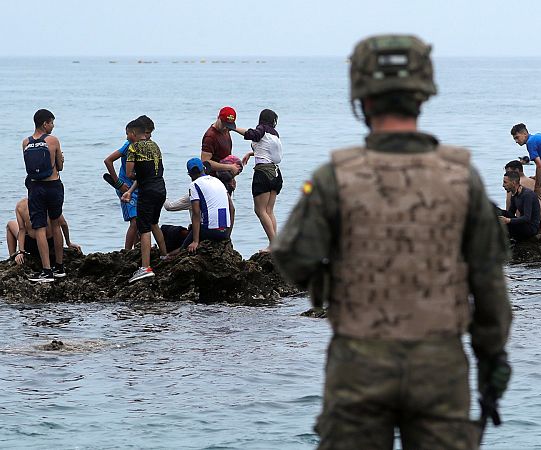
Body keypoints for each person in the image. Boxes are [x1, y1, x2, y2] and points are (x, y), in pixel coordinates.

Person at [272, 34, 512, 449]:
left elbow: (293, 256)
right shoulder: (462, 179)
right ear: (422, 99)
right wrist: (492, 358)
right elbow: (489, 283)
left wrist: (334, 281)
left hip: (359, 362)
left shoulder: (334, 178)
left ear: (361, 100)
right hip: (439, 363)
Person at [121, 120, 169, 282]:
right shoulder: (155, 146)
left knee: (144, 227)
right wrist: (131, 191)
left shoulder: (133, 148)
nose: (127, 136)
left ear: (133, 133)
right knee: (154, 222)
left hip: (147, 192)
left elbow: (129, 174)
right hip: (160, 189)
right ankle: (164, 256)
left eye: (128, 133)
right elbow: (154, 171)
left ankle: (145, 267)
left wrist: (134, 179)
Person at [22, 109, 66, 282]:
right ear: (45, 123)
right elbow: (60, 167)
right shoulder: (53, 141)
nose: (53, 126)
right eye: (51, 122)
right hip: (54, 186)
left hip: (36, 188)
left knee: (39, 227)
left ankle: (46, 270)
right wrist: (61, 158)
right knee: (55, 224)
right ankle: (59, 267)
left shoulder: (25, 142)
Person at [233, 109, 283, 251]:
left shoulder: (261, 129)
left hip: (263, 173)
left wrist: (233, 128)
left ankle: (273, 245)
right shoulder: (274, 133)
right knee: (269, 210)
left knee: (260, 210)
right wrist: (251, 153)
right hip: (276, 173)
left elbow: (251, 134)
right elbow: (266, 150)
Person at [103, 115, 154, 250]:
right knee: (135, 221)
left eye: (150, 133)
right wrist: (118, 183)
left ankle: (138, 248)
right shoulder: (128, 145)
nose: (149, 136)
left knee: (141, 220)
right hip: (125, 187)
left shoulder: (145, 146)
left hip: (138, 187)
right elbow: (108, 161)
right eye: (147, 133)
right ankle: (127, 252)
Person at [6, 198, 81, 265]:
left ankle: (12, 257)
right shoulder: (49, 201)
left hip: (30, 245)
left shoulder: (21, 205)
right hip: (51, 244)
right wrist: (69, 243)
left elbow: (22, 229)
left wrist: (21, 252)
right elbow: (63, 224)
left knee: (10, 224)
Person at [182, 158, 233, 252]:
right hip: (225, 232)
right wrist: (228, 234)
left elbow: (196, 213)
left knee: (184, 248)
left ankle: (172, 254)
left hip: (210, 231)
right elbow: (232, 209)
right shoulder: (218, 181)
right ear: (204, 169)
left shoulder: (194, 185)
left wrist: (195, 241)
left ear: (190, 174)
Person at [499, 171, 540, 240]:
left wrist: (508, 220)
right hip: (523, 225)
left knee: (504, 216)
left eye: (505, 182)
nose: (503, 185)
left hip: (531, 229)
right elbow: (510, 213)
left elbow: (527, 218)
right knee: (500, 212)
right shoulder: (514, 194)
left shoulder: (527, 195)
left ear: (514, 183)